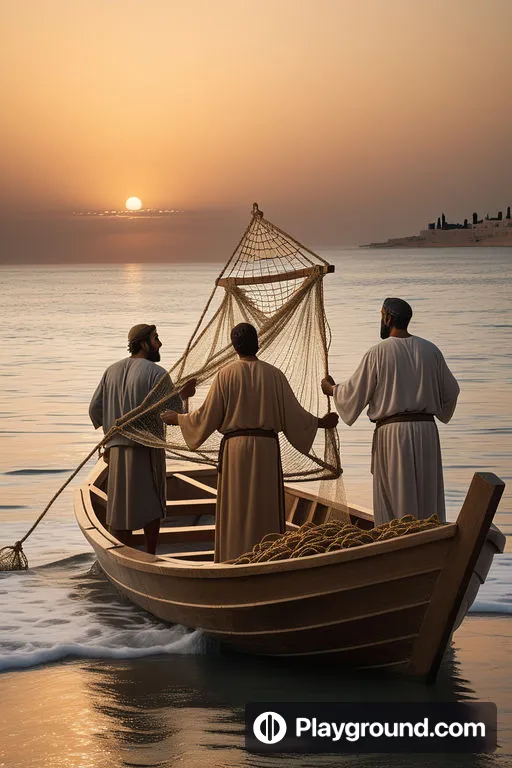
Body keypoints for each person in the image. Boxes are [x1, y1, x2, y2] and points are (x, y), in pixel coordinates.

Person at [160, 323, 339, 562]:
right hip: (266, 450)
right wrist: (320, 423)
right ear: (257, 343)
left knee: (237, 508)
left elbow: (206, 416)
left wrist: (179, 419)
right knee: (265, 506)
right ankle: (268, 557)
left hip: (236, 452)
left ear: (235, 347)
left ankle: (234, 557)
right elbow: (294, 416)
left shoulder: (225, 374)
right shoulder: (274, 375)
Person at [321, 298, 460, 525]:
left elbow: (354, 392)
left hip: (393, 435)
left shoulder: (378, 353)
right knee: (426, 496)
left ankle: (396, 541)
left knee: (395, 497)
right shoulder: (431, 350)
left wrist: (332, 389)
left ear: (387, 318)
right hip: (427, 433)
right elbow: (452, 392)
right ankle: (430, 539)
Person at [89, 324, 195, 554]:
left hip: (116, 451)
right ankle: (150, 554)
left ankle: (122, 555)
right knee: (152, 504)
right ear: (144, 343)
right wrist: (185, 395)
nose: (160, 343)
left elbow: (94, 411)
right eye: (156, 338)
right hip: (147, 448)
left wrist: (111, 435)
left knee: (120, 509)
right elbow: (173, 414)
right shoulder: (157, 374)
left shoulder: (111, 371)